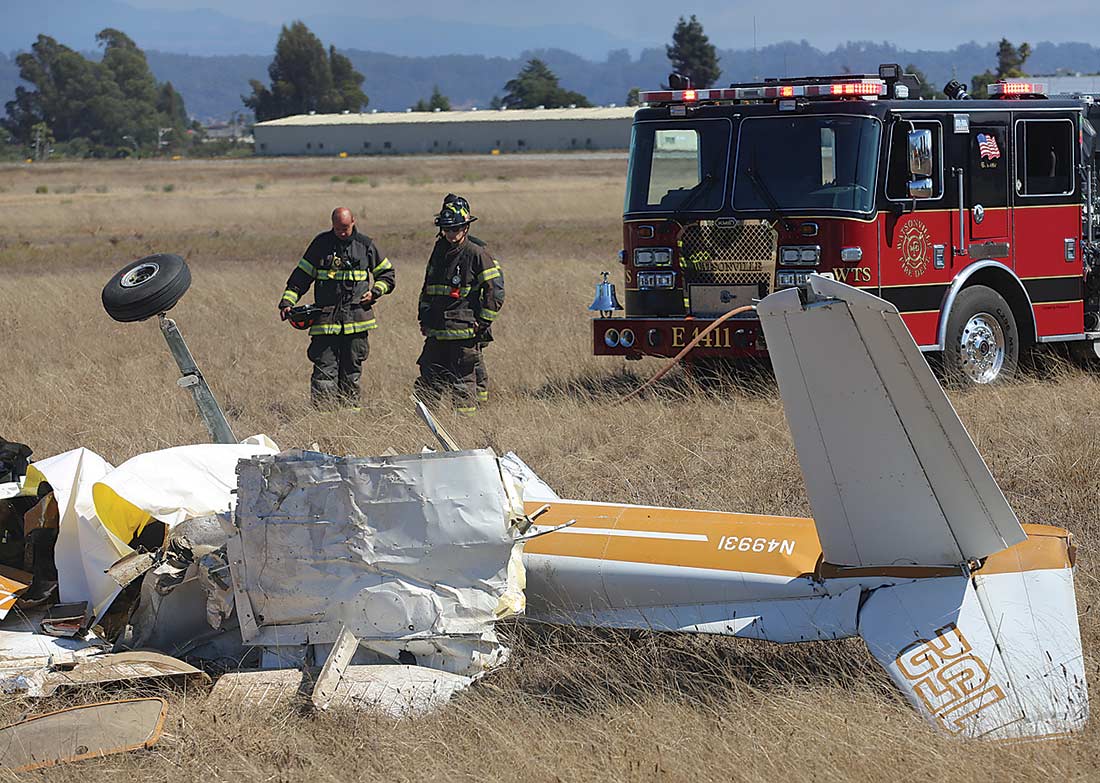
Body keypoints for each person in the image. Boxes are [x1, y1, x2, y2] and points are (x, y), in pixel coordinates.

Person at [279, 207, 395, 409]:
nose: (342, 232)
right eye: (338, 228)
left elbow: (387, 275)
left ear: (353, 222)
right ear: (332, 224)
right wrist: (287, 302)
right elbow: (301, 276)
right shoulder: (321, 244)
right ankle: (323, 418)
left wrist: (375, 292)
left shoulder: (366, 245)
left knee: (351, 374)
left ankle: (351, 418)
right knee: (324, 373)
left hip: (357, 322)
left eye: (345, 228)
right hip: (326, 322)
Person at [416, 194, 504, 415]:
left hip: (464, 332)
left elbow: (495, 291)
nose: (451, 233)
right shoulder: (439, 251)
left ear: (465, 227)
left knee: (463, 384)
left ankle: (466, 425)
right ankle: (425, 424)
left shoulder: (477, 253)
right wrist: (424, 317)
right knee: (428, 379)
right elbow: (428, 287)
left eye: (455, 228)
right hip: (437, 330)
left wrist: (482, 322)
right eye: (447, 229)